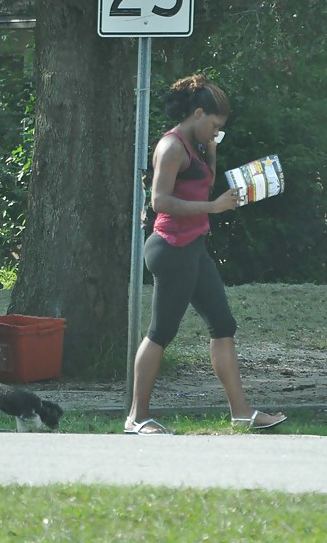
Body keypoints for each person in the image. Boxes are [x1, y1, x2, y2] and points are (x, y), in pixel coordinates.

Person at [125, 73, 287, 435]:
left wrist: (212, 153)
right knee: (160, 332)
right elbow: (160, 200)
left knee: (223, 325)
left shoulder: (195, 147)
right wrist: (212, 208)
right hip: (171, 248)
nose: (216, 132)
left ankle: (241, 412)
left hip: (194, 249)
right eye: (214, 126)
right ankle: (137, 417)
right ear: (198, 114)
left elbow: (203, 186)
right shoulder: (171, 147)